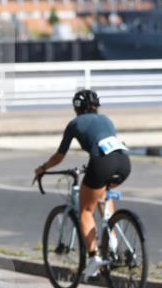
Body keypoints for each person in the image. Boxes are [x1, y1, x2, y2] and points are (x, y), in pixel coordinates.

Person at [34, 89, 131, 277]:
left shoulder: (74, 123)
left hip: (102, 163)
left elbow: (59, 156)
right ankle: (113, 242)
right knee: (102, 194)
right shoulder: (106, 119)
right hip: (124, 162)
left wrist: (43, 168)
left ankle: (94, 257)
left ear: (76, 107)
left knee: (86, 210)